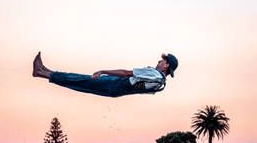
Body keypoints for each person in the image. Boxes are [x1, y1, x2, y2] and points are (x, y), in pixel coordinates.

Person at [32, 52, 178, 98]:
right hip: (116, 92)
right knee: (80, 85)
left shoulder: (154, 73)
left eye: (162, 61)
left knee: (79, 79)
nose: (158, 61)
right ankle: (44, 73)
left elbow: (126, 73)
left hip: (115, 83)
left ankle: (42, 72)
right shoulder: (160, 85)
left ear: (166, 66)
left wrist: (103, 71)